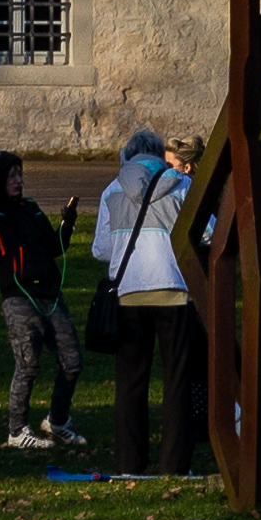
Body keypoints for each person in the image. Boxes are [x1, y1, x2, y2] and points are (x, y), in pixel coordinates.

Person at [89, 128, 200, 473]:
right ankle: (174, 464)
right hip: (175, 290)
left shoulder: (112, 189)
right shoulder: (181, 185)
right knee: (177, 381)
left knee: (130, 383)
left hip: (128, 293)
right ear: (157, 154)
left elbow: (101, 250)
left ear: (129, 155)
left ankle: (128, 463)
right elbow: (207, 231)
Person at [0, 148, 83, 449]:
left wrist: (67, 223)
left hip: (49, 294)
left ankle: (57, 421)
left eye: (20, 174)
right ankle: (17, 430)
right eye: (10, 176)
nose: (18, 181)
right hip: (19, 296)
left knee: (72, 361)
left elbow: (55, 247)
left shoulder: (31, 208)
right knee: (28, 365)